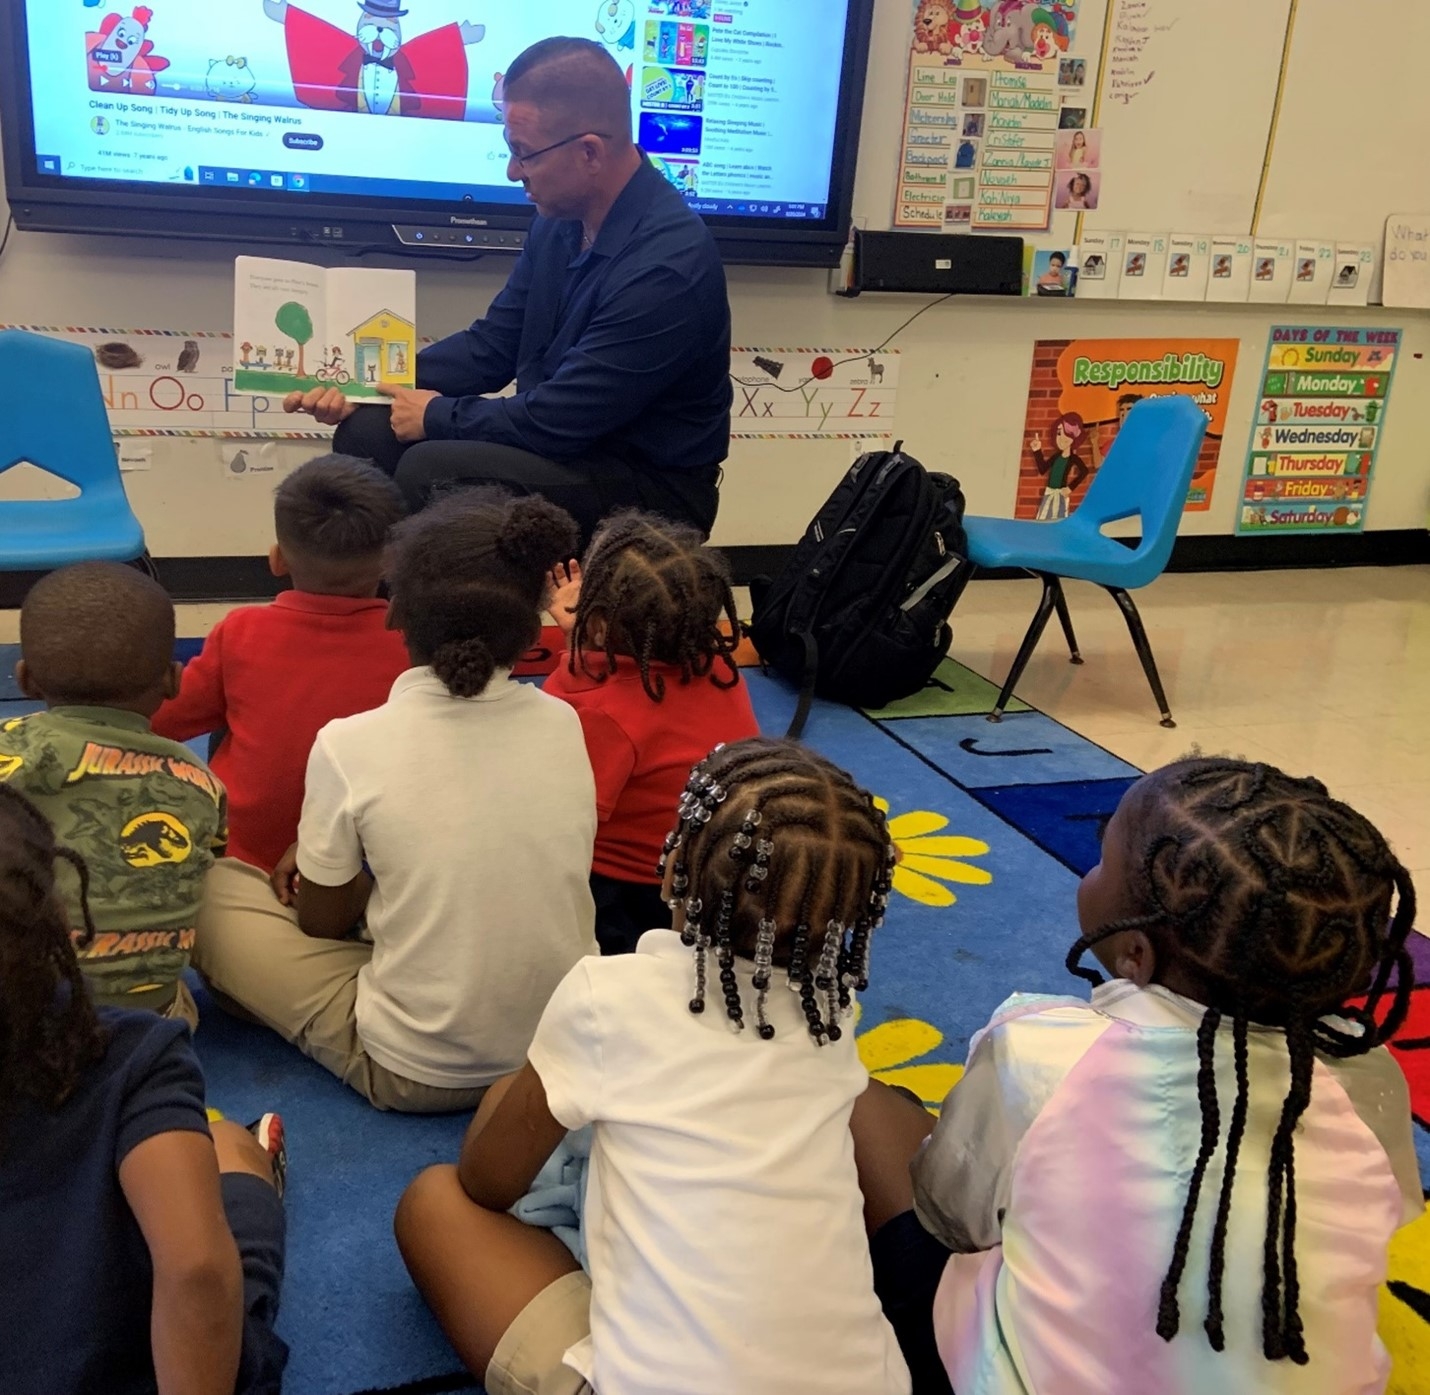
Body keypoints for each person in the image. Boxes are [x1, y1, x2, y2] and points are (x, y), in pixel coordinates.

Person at [855, 758, 1420, 1394]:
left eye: (1101, 856)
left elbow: (950, 1218)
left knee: (860, 1102)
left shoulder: (1039, 1051)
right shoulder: (1367, 1074)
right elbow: (1389, 1220)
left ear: (1136, 954)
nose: (1091, 868)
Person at [394, 738, 912, 1395]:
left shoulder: (607, 994)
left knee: (434, 1201)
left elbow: (487, 1181)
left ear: (669, 875)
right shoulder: (835, 1013)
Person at [192, 492, 598, 1113]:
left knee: (204, 886)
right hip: (560, 1052)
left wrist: (344, 863)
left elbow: (319, 921)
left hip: (418, 1070)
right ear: (532, 621)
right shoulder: (566, 722)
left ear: (395, 611)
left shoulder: (349, 744)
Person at [284, 37, 732, 543]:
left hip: (648, 489)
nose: (512, 171)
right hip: (569, 449)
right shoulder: (559, 223)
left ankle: (438, 617)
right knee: (366, 431)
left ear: (589, 152)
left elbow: (560, 420)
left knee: (432, 469)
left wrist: (433, 414)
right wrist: (363, 382)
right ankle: (375, 615)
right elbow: (493, 345)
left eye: (523, 153)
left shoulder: (667, 269)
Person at [0, 785, 289, 1395]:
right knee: (230, 1166)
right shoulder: (128, 1053)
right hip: (144, 1360)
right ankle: (244, 1156)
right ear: (52, 913)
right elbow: (198, 1273)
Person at [153, 455, 410, 881]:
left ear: (277, 560)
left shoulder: (241, 632)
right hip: (364, 871)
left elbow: (162, 720)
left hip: (239, 861)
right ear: (391, 564)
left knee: (230, 712)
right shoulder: (411, 645)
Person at [0, 563, 227, 1027]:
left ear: (23, 679)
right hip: (151, 1025)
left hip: (17, 1024)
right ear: (173, 680)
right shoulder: (201, 781)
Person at [542, 512, 760, 955]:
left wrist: (577, 651)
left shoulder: (601, 715)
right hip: (707, 873)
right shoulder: (720, 669)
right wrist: (592, 636)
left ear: (600, 622)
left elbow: (564, 817)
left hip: (628, 893)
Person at [1027, 411, 1089, 520]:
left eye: (1067, 434)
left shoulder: (1073, 458)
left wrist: (1070, 488)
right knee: (1042, 518)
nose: (1062, 438)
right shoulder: (1056, 457)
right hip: (1049, 493)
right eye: (1059, 433)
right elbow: (1042, 469)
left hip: (1060, 494)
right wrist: (1037, 450)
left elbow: (1084, 471)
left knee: (1058, 518)